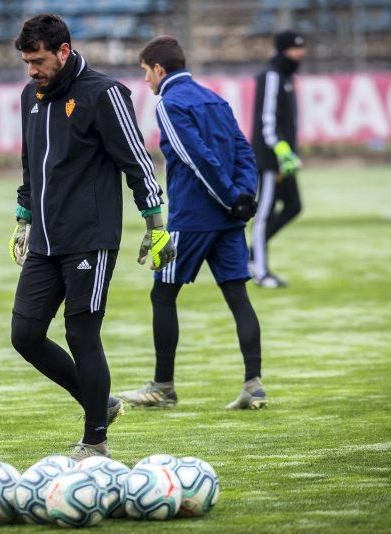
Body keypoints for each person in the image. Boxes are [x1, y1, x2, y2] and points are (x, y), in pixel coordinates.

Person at [8, 14, 176, 461]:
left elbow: (138, 162)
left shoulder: (103, 94)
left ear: (63, 51)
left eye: (38, 60)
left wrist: (155, 225)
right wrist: (24, 216)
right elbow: (32, 165)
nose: (32, 70)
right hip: (45, 240)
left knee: (82, 334)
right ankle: (100, 399)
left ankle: (96, 441)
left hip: (90, 238)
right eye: (26, 62)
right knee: (24, 334)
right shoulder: (32, 96)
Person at [117, 35, 267, 411]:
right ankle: (254, 384)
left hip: (191, 219)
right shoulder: (215, 98)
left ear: (159, 69)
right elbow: (243, 149)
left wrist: (233, 197)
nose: (146, 81)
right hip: (228, 219)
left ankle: (163, 386)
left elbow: (194, 157)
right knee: (237, 295)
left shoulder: (170, 103)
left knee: (162, 295)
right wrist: (245, 196)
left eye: (145, 72)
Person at [250, 30, 306, 288]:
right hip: (271, 159)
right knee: (264, 213)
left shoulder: (285, 76)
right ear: (284, 50)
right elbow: (267, 121)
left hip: (284, 159)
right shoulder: (271, 76)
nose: (301, 53)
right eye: (296, 49)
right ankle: (259, 271)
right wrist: (280, 151)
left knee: (293, 206)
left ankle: (251, 254)